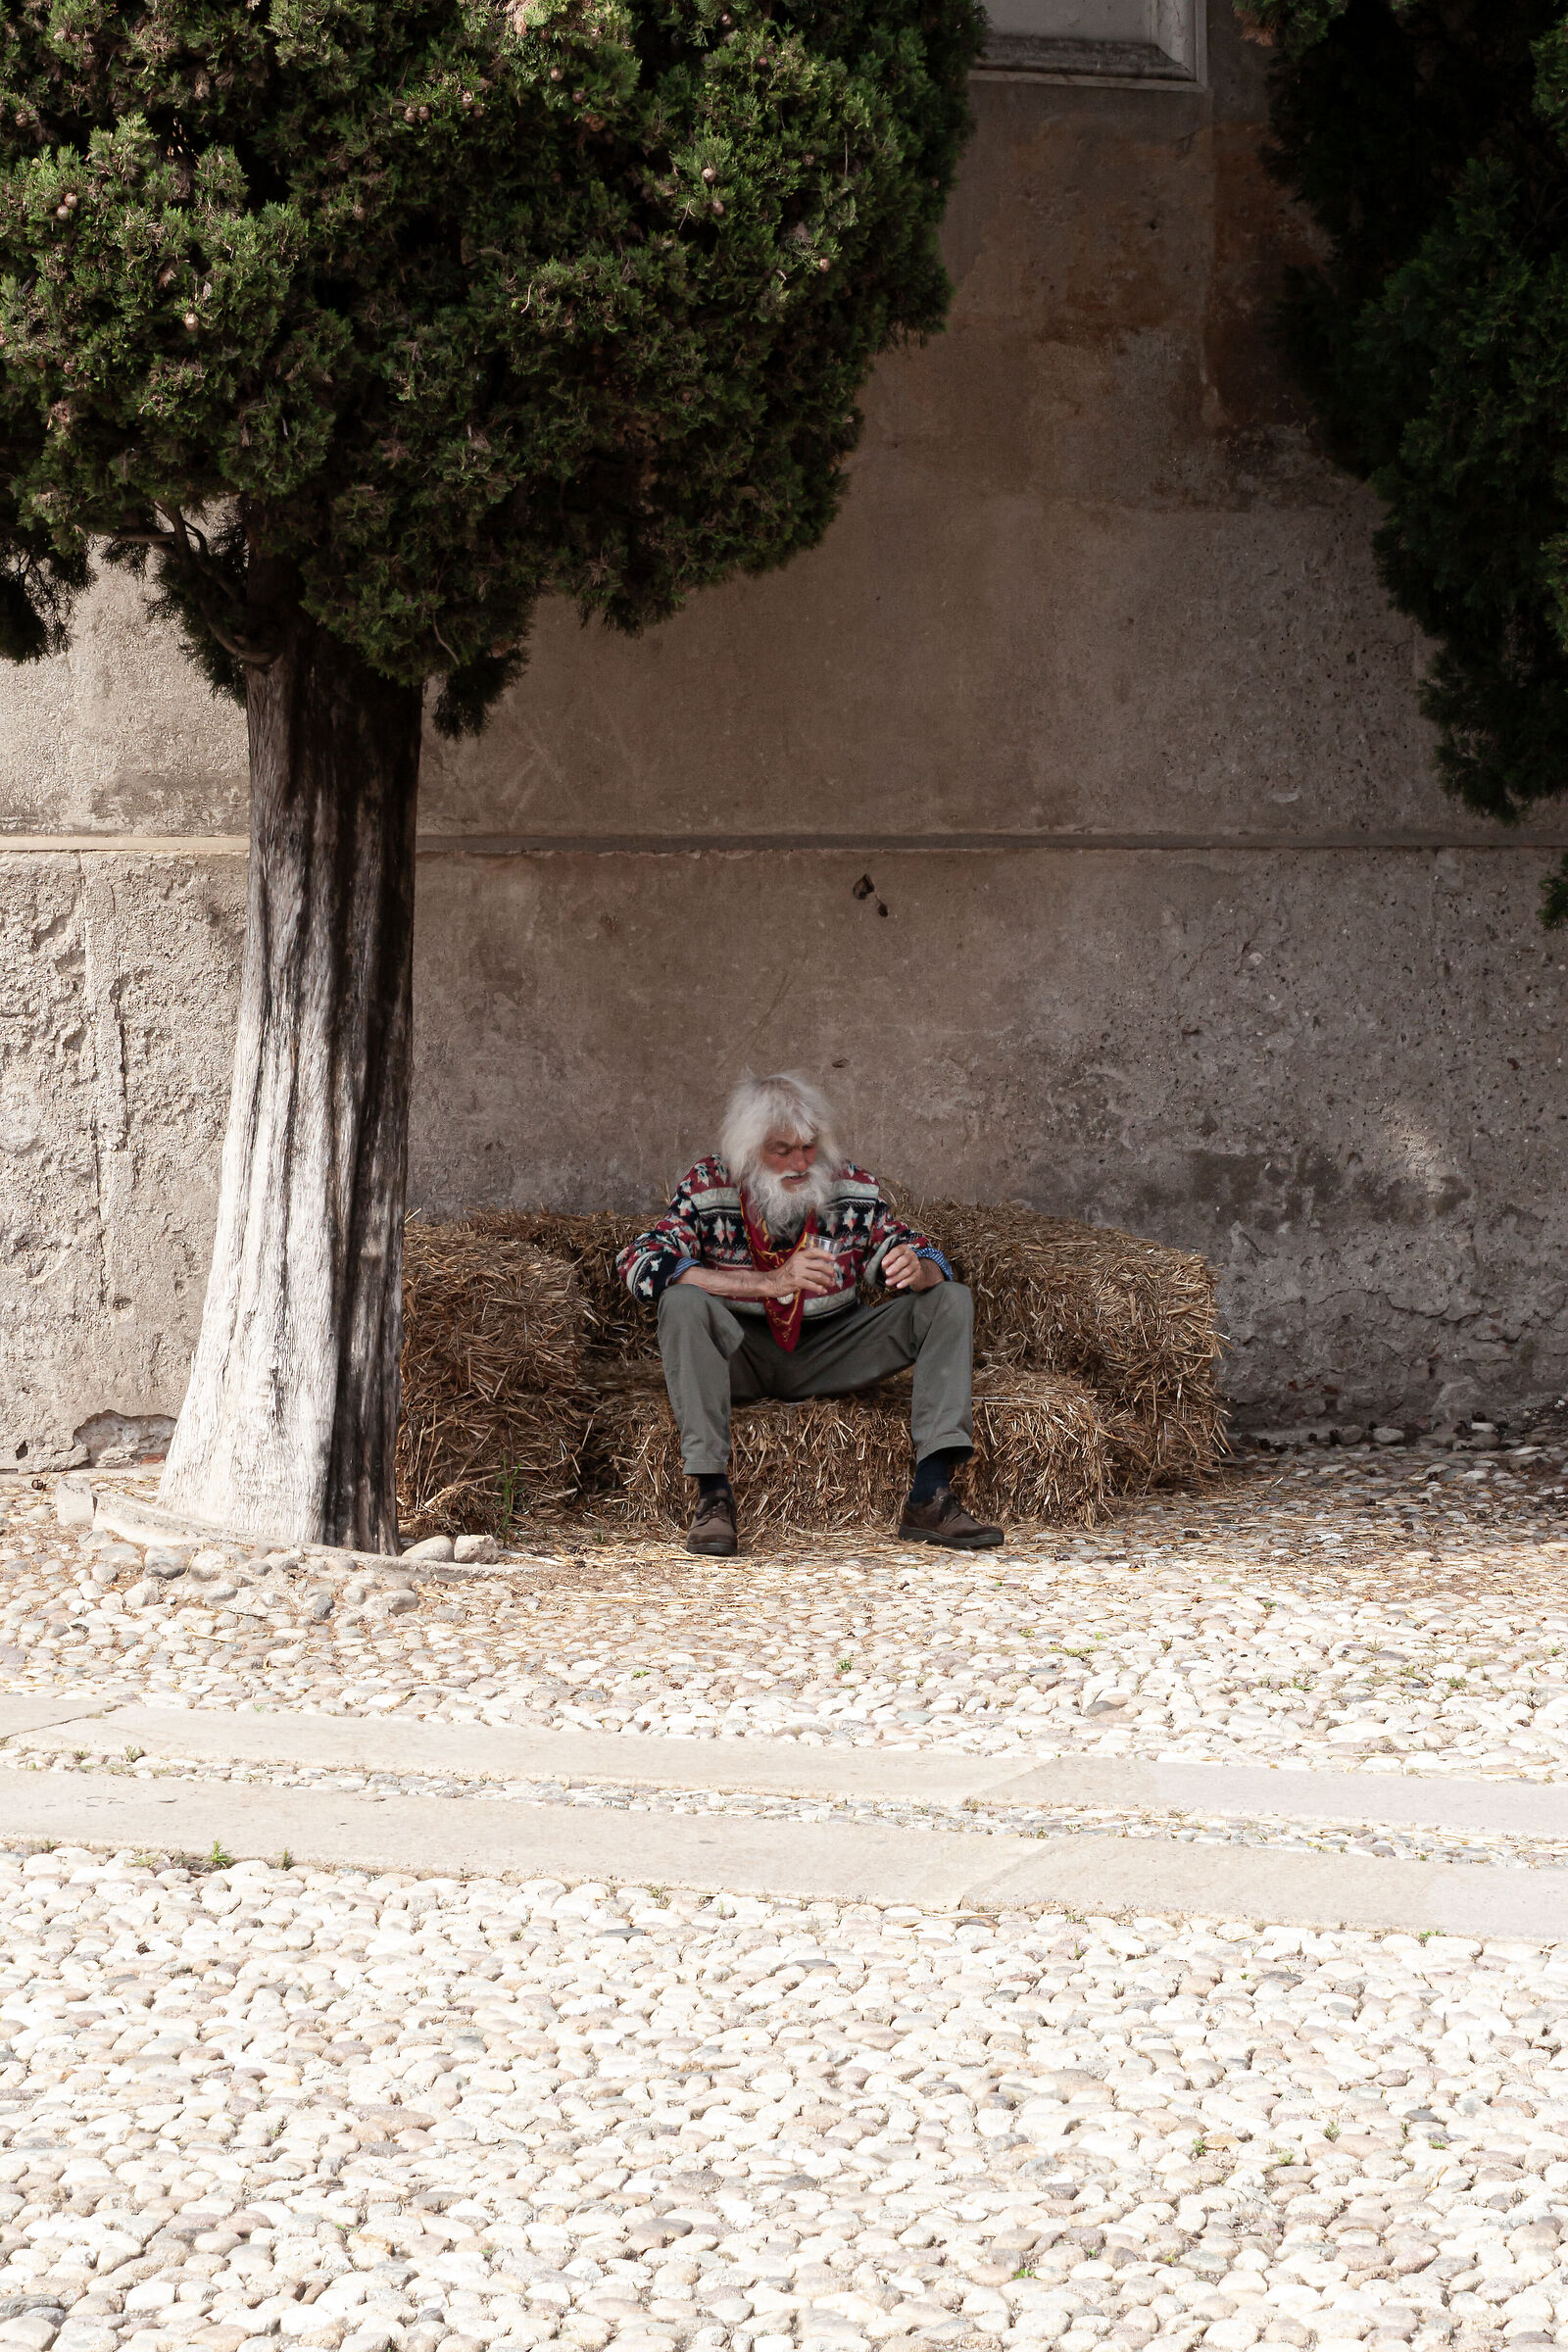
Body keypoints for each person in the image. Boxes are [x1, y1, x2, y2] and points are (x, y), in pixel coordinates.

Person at [616, 1073, 1004, 1556]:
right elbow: (640, 1262)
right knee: (682, 1301)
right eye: (783, 1150)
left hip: (833, 1348)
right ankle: (713, 1496)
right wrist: (769, 1283)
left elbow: (924, 1256)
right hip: (740, 1353)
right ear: (749, 1149)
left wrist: (917, 1267)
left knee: (951, 1299)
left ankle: (931, 1495)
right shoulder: (708, 1184)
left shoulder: (851, 1185)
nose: (801, 1163)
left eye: (809, 1147)